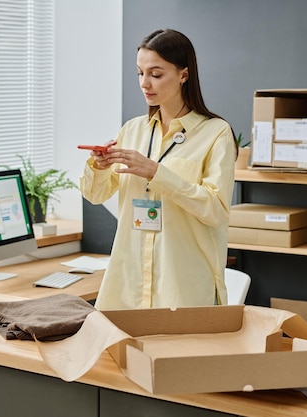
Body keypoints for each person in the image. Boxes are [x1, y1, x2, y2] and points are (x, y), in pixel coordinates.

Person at [80, 28, 237, 309]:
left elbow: (216, 209)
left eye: (155, 74)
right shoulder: (133, 130)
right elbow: (95, 195)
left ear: (183, 75)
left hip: (181, 286)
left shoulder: (216, 133)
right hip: (128, 283)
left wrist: (156, 172)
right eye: (140, 73)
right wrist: (99, 165)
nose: (144, 83)